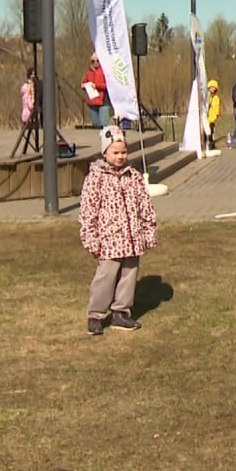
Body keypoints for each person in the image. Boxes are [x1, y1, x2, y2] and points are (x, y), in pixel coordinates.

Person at [79, 126, 159, 336]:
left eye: (123, 152)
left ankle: (121, 312)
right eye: (115, 152)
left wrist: (148, 230)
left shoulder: (133, 176)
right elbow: (88, 211)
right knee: (105, 278)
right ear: (105, 153)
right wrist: (91, 237)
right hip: (109, 241)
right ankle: (96, 315)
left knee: (128, 276)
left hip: (132, 239)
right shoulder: (96, 178)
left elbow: (145, 205)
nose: (120, 156)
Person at [81, 52, 110, 129]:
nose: (95, 62)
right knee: (95, 125)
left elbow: (108, 85)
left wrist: (96, 85)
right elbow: (84, 82)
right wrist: (84, 86)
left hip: (103, 100)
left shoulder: (105, 71)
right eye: (93, 61)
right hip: (93, 101)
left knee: (104, 124)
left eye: (97, 61)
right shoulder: (88, 72)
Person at [205, 79, 220, 150]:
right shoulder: (206, 96)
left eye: (215, 88)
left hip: (212, 118)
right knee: (204, 132)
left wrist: (215, 116)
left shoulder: (216, 98)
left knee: (211, 132)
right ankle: (205, 144)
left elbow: (217, 108)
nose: (213, 89)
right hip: (205, 118)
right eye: (212, 87)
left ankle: (211, 144)